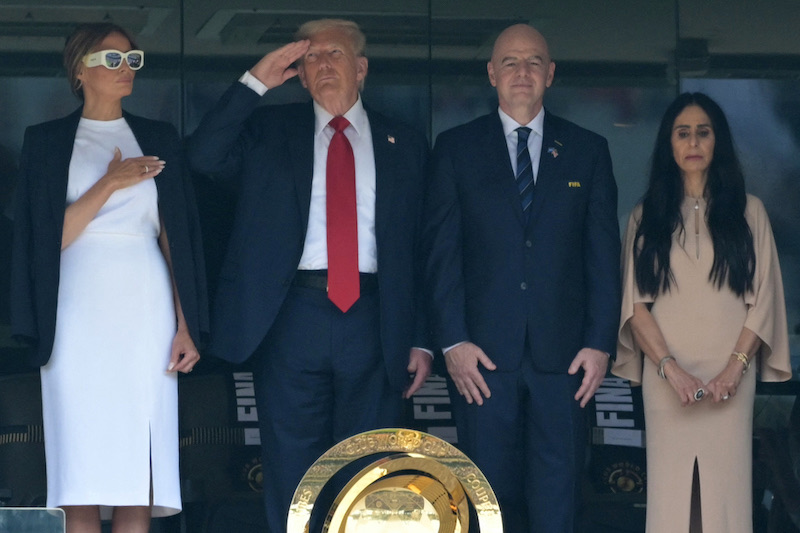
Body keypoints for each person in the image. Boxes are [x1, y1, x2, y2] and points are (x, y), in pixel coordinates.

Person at [186, 18, 431, 532]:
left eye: (335, 54)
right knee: (292, 468)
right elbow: (203, 155)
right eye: (311, 58)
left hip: (375, 315)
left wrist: (424, 340)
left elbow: (424, 247)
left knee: (370, 467)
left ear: (361, 68)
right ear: (298, 75)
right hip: (291, 315)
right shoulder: (269, 131)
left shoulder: (404, 141)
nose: (323, 64)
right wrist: (254, 80)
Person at [10, 22, 207, 533]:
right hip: (74, 306)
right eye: (112, 60)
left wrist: (186, 325)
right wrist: (110, 183)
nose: (126, 69)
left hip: (145, 302)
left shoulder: (158, 137)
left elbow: (175, 237)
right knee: (81, 471)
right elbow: (45, 239)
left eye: (131, 59)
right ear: (80, 71)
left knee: (135, 474)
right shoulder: (47, 141)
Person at [423, 23, 620, 531]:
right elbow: (442, 255)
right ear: (491, 73)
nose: (522, 72)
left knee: (559, 501)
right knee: (487, 499)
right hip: (482, 362)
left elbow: (602, 255)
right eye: (509, 62)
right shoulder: (455, 148)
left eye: (534, 61)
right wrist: (452, 342)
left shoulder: (588, 149)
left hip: (566, 363)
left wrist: (600, 343)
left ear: (550, 74)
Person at [612, 92, 791, 532]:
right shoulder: (645, 215)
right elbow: (634, 306)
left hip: (730, 377)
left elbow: (764, 298)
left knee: (726, 493)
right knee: (671, 495)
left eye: (703, 132)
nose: (693, 141)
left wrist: (734, 369)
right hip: (666, 378)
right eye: (683, 132)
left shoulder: (750, 213)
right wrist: (672, 370)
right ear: (669, 144)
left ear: (718, 142)